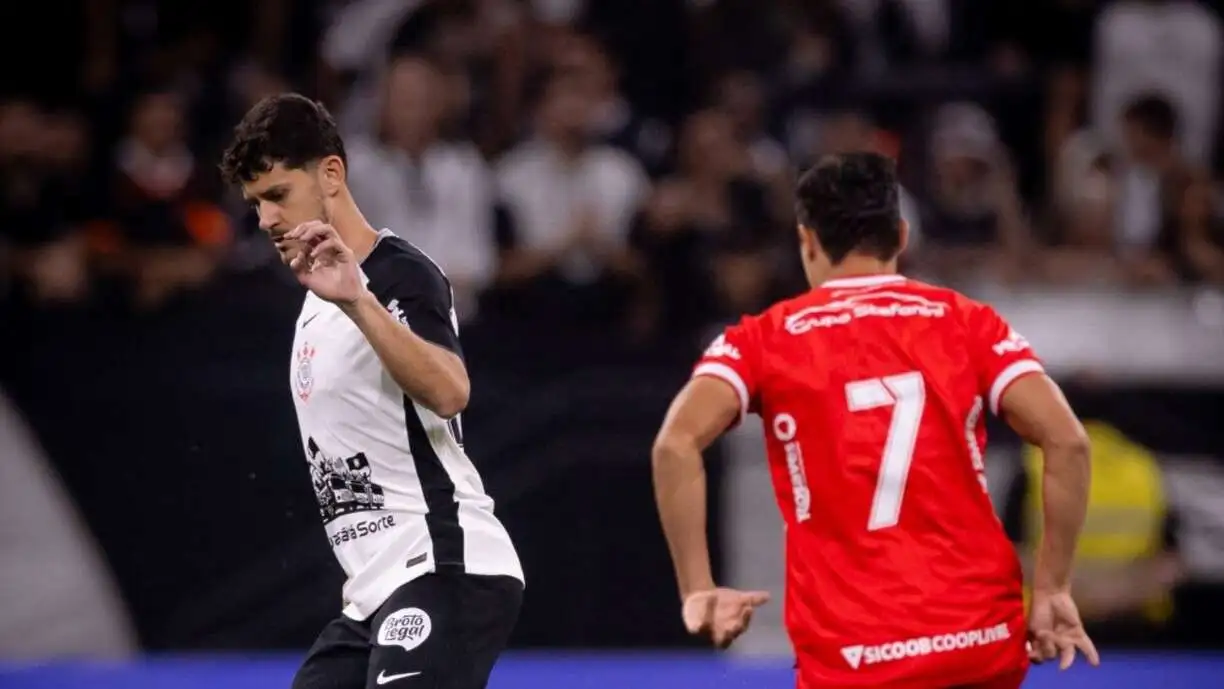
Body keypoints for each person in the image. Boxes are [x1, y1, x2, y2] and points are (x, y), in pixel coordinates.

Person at [651, 152, 1099, 688]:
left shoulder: (762, 341)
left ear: (807, 241)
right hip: (978, 642)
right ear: (902, 235)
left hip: (856, 655)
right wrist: (1051, 588)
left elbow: (674, 444)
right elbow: (1068, 441)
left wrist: (697, 588)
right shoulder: (967, 323)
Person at [219, 93, 523, 689]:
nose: (266, 220)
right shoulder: (314, 304)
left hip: (445, 563)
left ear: (331, 173)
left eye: (278, 195)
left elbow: (450, 390)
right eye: (255, 205)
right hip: (369, 596)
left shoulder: (397, 274)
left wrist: (359, 301)